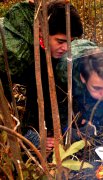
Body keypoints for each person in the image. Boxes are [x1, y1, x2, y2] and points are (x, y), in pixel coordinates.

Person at [0, 0, 83, 149]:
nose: (66, 48)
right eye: (60, 41)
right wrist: (26, 136)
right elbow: (9, 101)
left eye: (70, 42)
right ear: (41, 31)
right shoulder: (17, 56)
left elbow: (50, 87)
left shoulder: (50, 50)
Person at [57, 39, 103, 141]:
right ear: (82, 78)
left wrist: (92, 121)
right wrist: (66, 128)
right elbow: (57, 107)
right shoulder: (64, 74)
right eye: (97, 88)